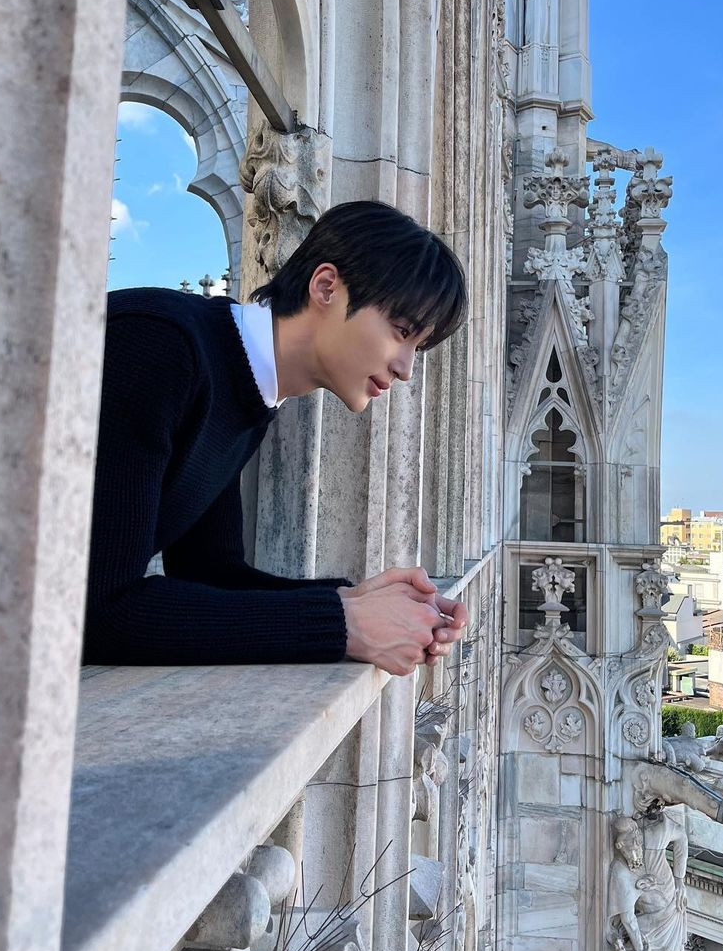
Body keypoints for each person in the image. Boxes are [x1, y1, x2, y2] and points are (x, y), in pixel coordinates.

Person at [83, 200, 469, 676]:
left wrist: (359, 602)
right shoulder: (161, 347)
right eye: (401, 330)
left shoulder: (242, 385)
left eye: (417, 346)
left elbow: (210, 574)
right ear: (326, 287)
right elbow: (97, 608)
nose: (406, 368)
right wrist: (346, 624)